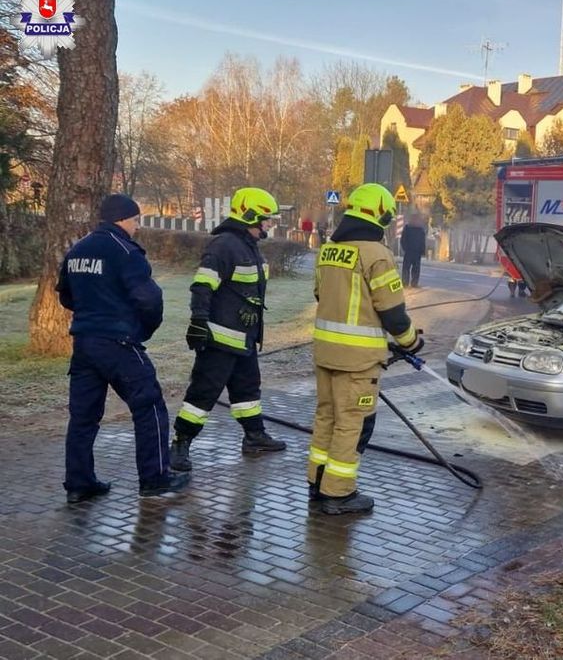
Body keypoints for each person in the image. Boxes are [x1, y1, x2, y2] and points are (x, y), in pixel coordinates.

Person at [56, 194, 191, 502]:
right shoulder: (125, 251)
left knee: (83, 417)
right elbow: (149, 299)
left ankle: (79, 483)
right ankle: (155, 478)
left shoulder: (78, 248)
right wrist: (144, 327)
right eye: (136, 220)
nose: (138, 226)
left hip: (84, 343)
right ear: (122, 219)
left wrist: (90, 312)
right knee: (150, 405)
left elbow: (65, 295)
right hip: (118, 343)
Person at [310, 183, 423, 515]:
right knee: (353, 423)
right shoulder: (377, 254)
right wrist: (412, 342)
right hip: (357, 361)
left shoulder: (329, 250)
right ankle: (339, 493)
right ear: (380, 214)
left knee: (326, 418)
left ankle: (317, 484)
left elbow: (322, 296)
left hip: (325, 352)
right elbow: (393, 313)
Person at [169, 187, 287, 472]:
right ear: (249, 216)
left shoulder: (248, 245)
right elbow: (203, 285)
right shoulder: (223, 245)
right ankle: (180, 444)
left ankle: (254, 436)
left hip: (244, 338)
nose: (270, 224)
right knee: (203, 393)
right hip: (220, 339)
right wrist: (198, 321)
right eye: (266, 218)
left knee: (247, 390)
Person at [399, 212, 427, 288]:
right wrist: (405, 248)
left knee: (413, 269)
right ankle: (406, 283)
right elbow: (403, 240)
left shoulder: (419, 229)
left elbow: (422, 241)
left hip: (414, 252)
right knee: (409, 268)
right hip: (411, 252)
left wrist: (422, 251)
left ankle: (412, 283)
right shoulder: (408, 228)